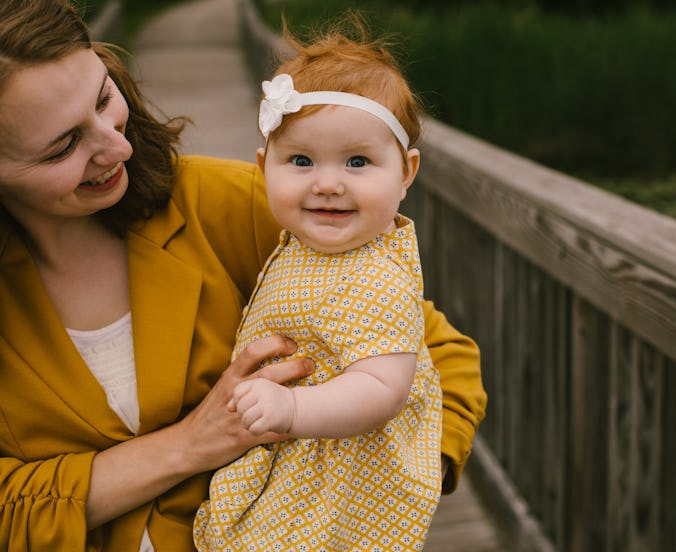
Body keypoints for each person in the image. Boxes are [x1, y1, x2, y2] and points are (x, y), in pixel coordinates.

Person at [0, 2, 487, 551]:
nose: (120, 146)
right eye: (63, 145)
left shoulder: (251, 206)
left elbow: (440, 356)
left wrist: (387, 490)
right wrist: (190, 445)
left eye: (103, 98)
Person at [193, 22, 443, 551]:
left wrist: (292, 412)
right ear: (264, 169)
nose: (327, 183)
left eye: (358, 162)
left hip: (342, 474)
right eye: (301, 161)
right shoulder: (302, 244)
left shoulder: (379, 277)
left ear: (405, 173)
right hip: (297, 459)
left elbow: (381, 389)